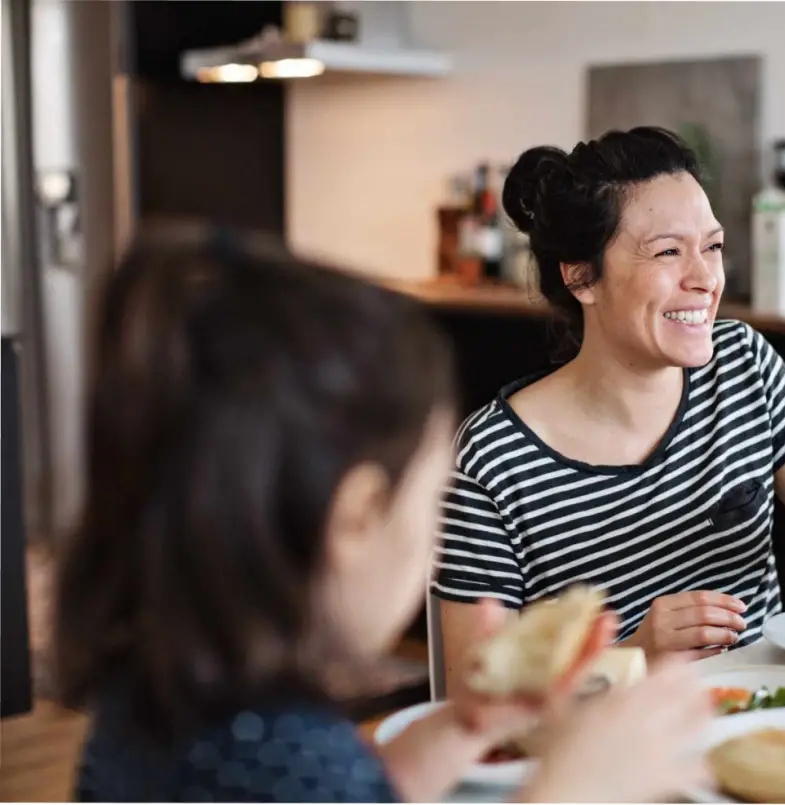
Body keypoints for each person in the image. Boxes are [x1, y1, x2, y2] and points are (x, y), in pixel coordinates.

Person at [52, 225, 711, 803]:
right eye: (430, 503)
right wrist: (576, 790)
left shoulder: (170, 703)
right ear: (358, 516)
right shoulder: (284, 755)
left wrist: (466, 727)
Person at [433, 127, 785, 696]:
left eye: (713, 246)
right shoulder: (491, 464)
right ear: (580, 275)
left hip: (759, 721)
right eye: (669, 251)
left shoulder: (744, 366)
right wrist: (636, 655)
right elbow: (470, 700)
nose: (705, 279)